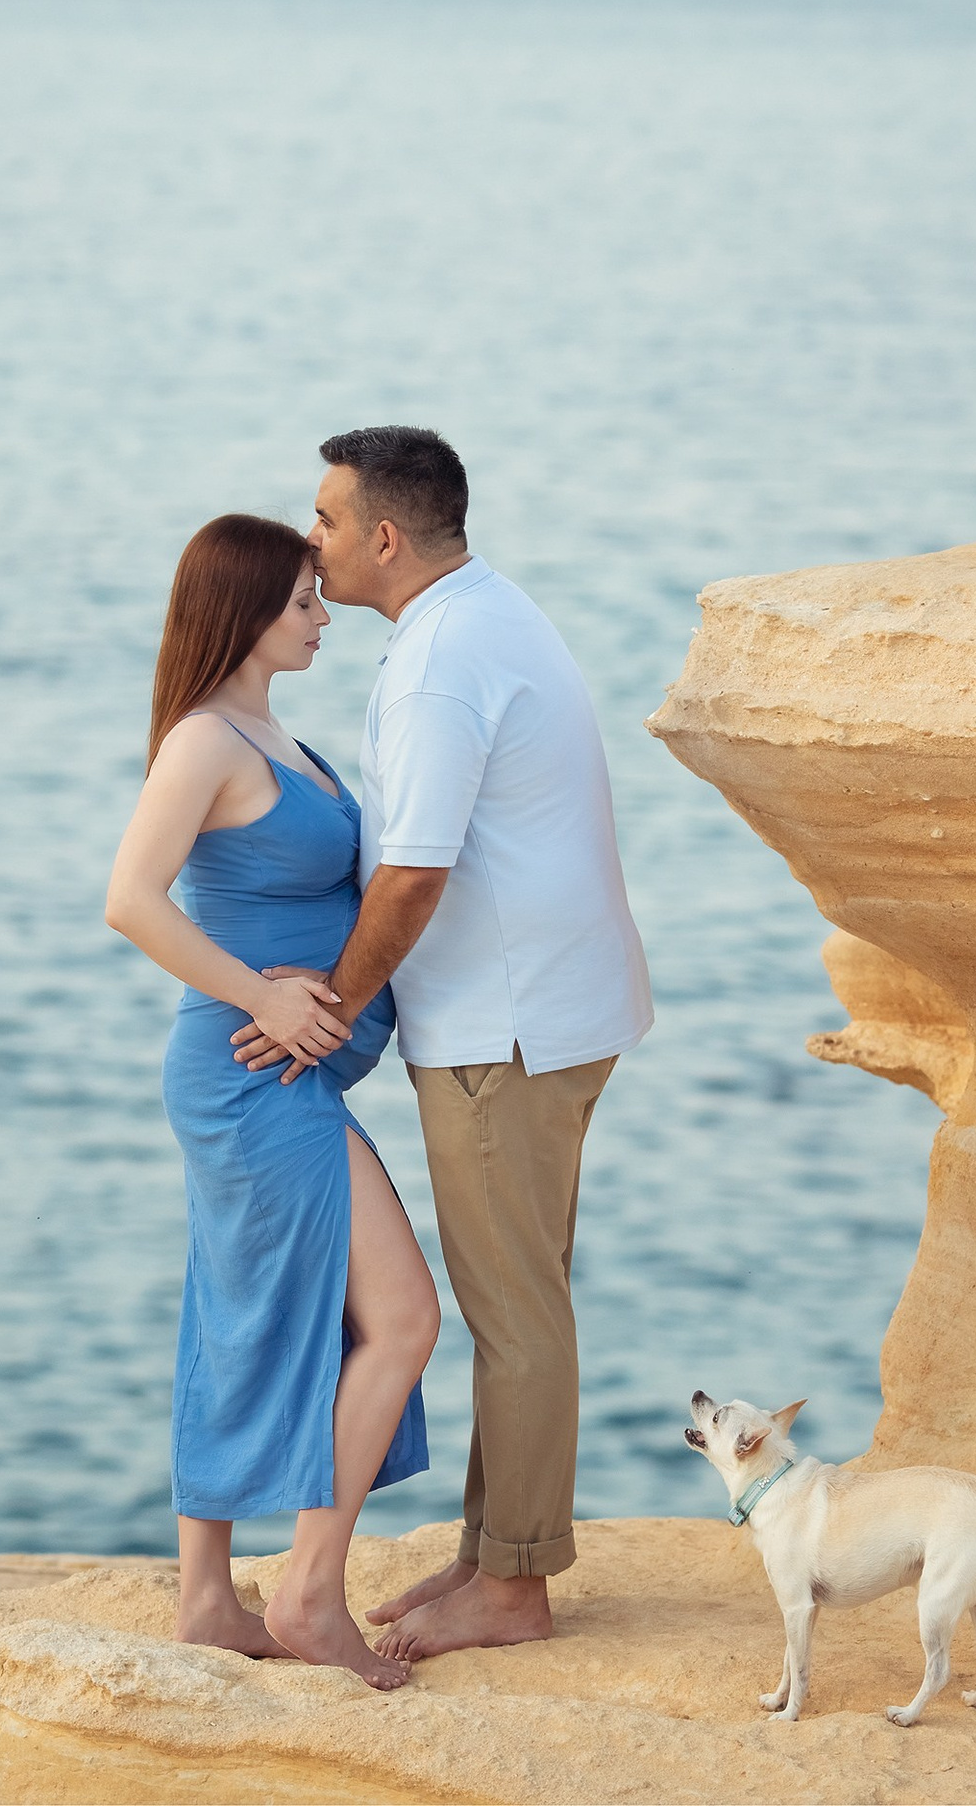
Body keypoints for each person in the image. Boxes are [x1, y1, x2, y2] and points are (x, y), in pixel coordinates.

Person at [232, 427, 652, 1661]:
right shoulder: (489, 611)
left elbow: (413, 878)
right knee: (521, 1293)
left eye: (322, 518)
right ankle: (491, 1554)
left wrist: (335, 1009)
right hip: (561, 1006)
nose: (306, 538)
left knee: (512, 1310)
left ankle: (514, 1591)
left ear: (381, 537)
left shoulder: (430, 667)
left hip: (504, 1030)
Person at [104, 513, 439, 1691]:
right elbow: (131, 901)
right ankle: (307, 1593)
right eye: (303, 597)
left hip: (270, 1070)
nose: (323, 613)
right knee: (401, 1320)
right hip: (249, 1071)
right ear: (246, 610)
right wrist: (271, 996)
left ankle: (206, 1597)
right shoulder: (203, 740)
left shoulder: (268, 731)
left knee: (233, 1309)